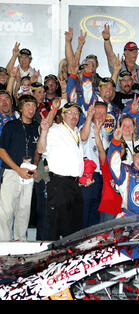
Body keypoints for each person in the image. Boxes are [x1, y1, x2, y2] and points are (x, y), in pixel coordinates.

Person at [36, 101, 84, 241]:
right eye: (70, 113)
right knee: (55, 227)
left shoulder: (76, 132)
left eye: (77, 113)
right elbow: (40, 149)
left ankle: (70, 258)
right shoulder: (54, 130)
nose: (74, 116)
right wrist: (44, 131)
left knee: (74, 229)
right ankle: (51, 259)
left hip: (75, 185)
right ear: (62, 115)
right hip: (59, 184)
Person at [0, 94, 39, 241]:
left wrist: (35, 168)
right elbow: (1, 150)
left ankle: (20, 243)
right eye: (28, 105)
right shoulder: (11, 126)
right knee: (6, 212)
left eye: (34, 105)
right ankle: (3, 246)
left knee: (24, 211)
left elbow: (38, 151)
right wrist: (17, 169)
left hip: (28, 173)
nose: (31, 108)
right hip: (11, 172)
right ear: (21, 108)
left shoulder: (36, 127)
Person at [79, 101, 112, 228]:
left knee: (94, 215)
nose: (100, 115)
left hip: (100, 177)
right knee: (84, 214)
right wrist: (88, 118)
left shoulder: (104, 132)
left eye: (104, 113)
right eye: (97, 112)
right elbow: (83, 137)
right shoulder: (86, 126)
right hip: (88, 176)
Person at [102, 24, 139, 94]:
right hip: (119, 103)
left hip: (137, 103)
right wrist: (107, 40)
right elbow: (110, 54)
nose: (135, 54)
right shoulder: (118, 65)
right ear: (125, 52)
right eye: (132, 51)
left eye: (136, 51)